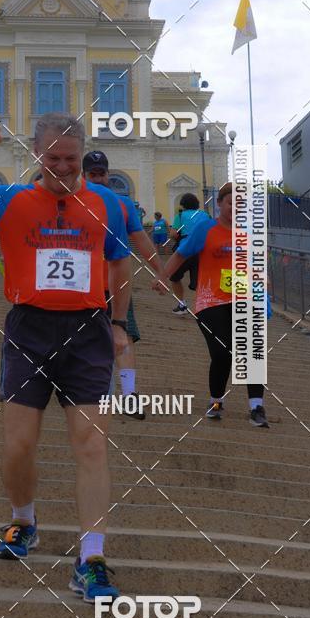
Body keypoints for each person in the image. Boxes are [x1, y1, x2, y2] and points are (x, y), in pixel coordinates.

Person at [0, 113, 132, 603]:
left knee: (91, 444)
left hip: (87, 331)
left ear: (81, 156)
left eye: (71, 159)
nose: (63, 168)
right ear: (37, 156)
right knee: (18, 446)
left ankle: (92, 559)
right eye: (53, 159)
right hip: (29, 330)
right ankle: (23, 521)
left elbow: (118, 260)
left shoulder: (105, 202)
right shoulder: (12, 201)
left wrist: (118, 324)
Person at [155, 182, 268, 427]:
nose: (235, 208)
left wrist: (264, 293)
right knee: (222, 352)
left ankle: (256, 406)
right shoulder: (206, 228)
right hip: (211, 301)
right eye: (230, 203)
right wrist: (163, 276)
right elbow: (181, 254)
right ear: (220, 204)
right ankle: (216, 401)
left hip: (244, 298)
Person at [82, 151, 167, 418]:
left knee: (124, 336)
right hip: (80, 284)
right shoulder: (72, 200)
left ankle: (129, 394)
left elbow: (141, 239)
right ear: (84, 176)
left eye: (101, 173)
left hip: (115, 282)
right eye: (92, 174)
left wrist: (161, 272)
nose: (97, 178)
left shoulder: (122, 204)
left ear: (108, 174)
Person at [169, 193, 211, 315]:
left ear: (183, 204)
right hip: (201, 251)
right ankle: (204, 307)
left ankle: (182, 304)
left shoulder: (180, 215)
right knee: (200, 281)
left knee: (174, 277)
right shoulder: (205, 215)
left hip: (185, 251)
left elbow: (173, 234)